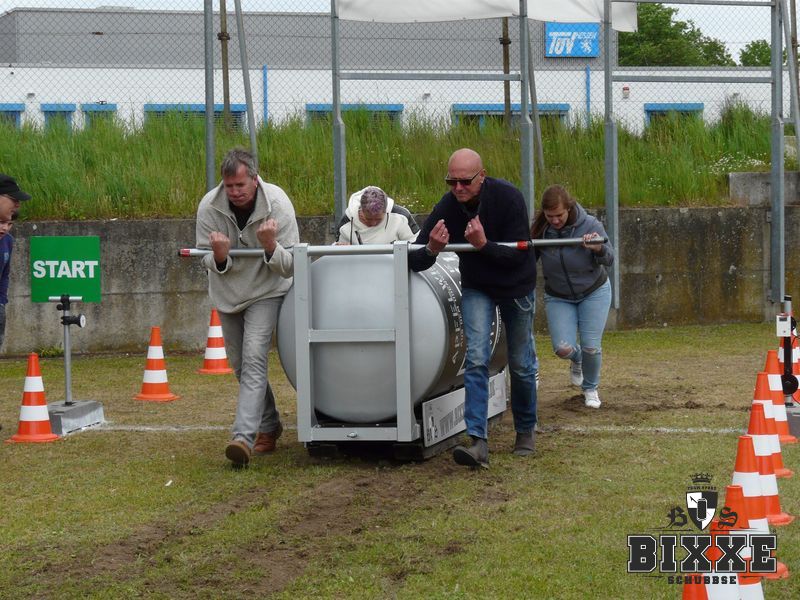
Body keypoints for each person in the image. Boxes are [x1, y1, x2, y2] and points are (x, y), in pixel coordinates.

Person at [408, 148, 538, 468]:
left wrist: (483, 246)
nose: (458, 188)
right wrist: (432, 250)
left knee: (521, 363)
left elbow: (521, 256)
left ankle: (525, 430)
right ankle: (478, 441)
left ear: (482, 176)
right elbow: (414, 258)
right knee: (477, 357)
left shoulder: (509, 198)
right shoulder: (447, 206)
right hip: (477, 287)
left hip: (516, 285)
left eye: (465, 181)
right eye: (451, 181)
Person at [196, 148, 299, 466]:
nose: (235, 192)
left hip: (267, 290)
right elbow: (202, 256)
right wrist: (219, 256)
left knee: (255, 358)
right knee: (241, 365)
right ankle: (269, 425)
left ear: (255, 179)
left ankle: (243, 437)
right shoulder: (209, 206)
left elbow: (291, 265)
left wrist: (270, 245)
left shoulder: (278, 204)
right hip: (228, 294)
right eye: (229, 186)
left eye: (240, 185)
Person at [530, 184, 614, 409]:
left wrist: (598, 249)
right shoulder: (540, 229)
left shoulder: (591, 224)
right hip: (558, 296)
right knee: (562, 348)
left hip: (594, 292)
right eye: (550, 216)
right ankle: (577, 360)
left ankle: (590, 388)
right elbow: (528, 260)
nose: (555, 220)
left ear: (568, 208)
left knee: (591, 346)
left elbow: (610, 258)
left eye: (559, 215)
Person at [0, 174, 32, 352]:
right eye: (14, 199)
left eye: (8, 224)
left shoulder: (7, 241)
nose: (18, 205)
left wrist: (1, 302)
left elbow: (4, 275)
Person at [336, 186, 417, 244]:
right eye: (368, 219)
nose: (373, 223)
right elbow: (337, 253)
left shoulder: (401, 216)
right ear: (361, 210)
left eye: (378, 219)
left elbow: (416, 245)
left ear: (386, 210)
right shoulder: (346, 222)